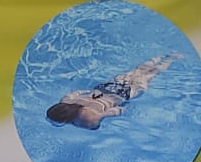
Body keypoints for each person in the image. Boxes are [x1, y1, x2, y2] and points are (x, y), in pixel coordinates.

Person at [44, 53, 178, 130]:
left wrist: (125, 109)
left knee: (152, 74)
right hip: (105, 87)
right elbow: (77, 92)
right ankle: (162, 55)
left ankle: (172, 58)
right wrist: (89, 92)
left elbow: (116, 111)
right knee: (137, 71)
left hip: (122, 94)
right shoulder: (66, 101)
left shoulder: (87, 119)